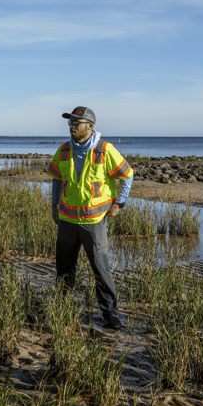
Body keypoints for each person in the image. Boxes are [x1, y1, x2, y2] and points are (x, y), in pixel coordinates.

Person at [45, 106, 134, 330]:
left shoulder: (105, 150)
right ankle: (63, 311)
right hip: (66, 220)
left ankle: (111, 316)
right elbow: (56, 179)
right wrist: (54, 205)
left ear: (90, 126)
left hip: (93, 223)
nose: (72, 127)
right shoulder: (64, 150)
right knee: (64, 269)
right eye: (70, 123)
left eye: (77, 123)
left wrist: (119, 203)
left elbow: (128, 175)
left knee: (101, 270)